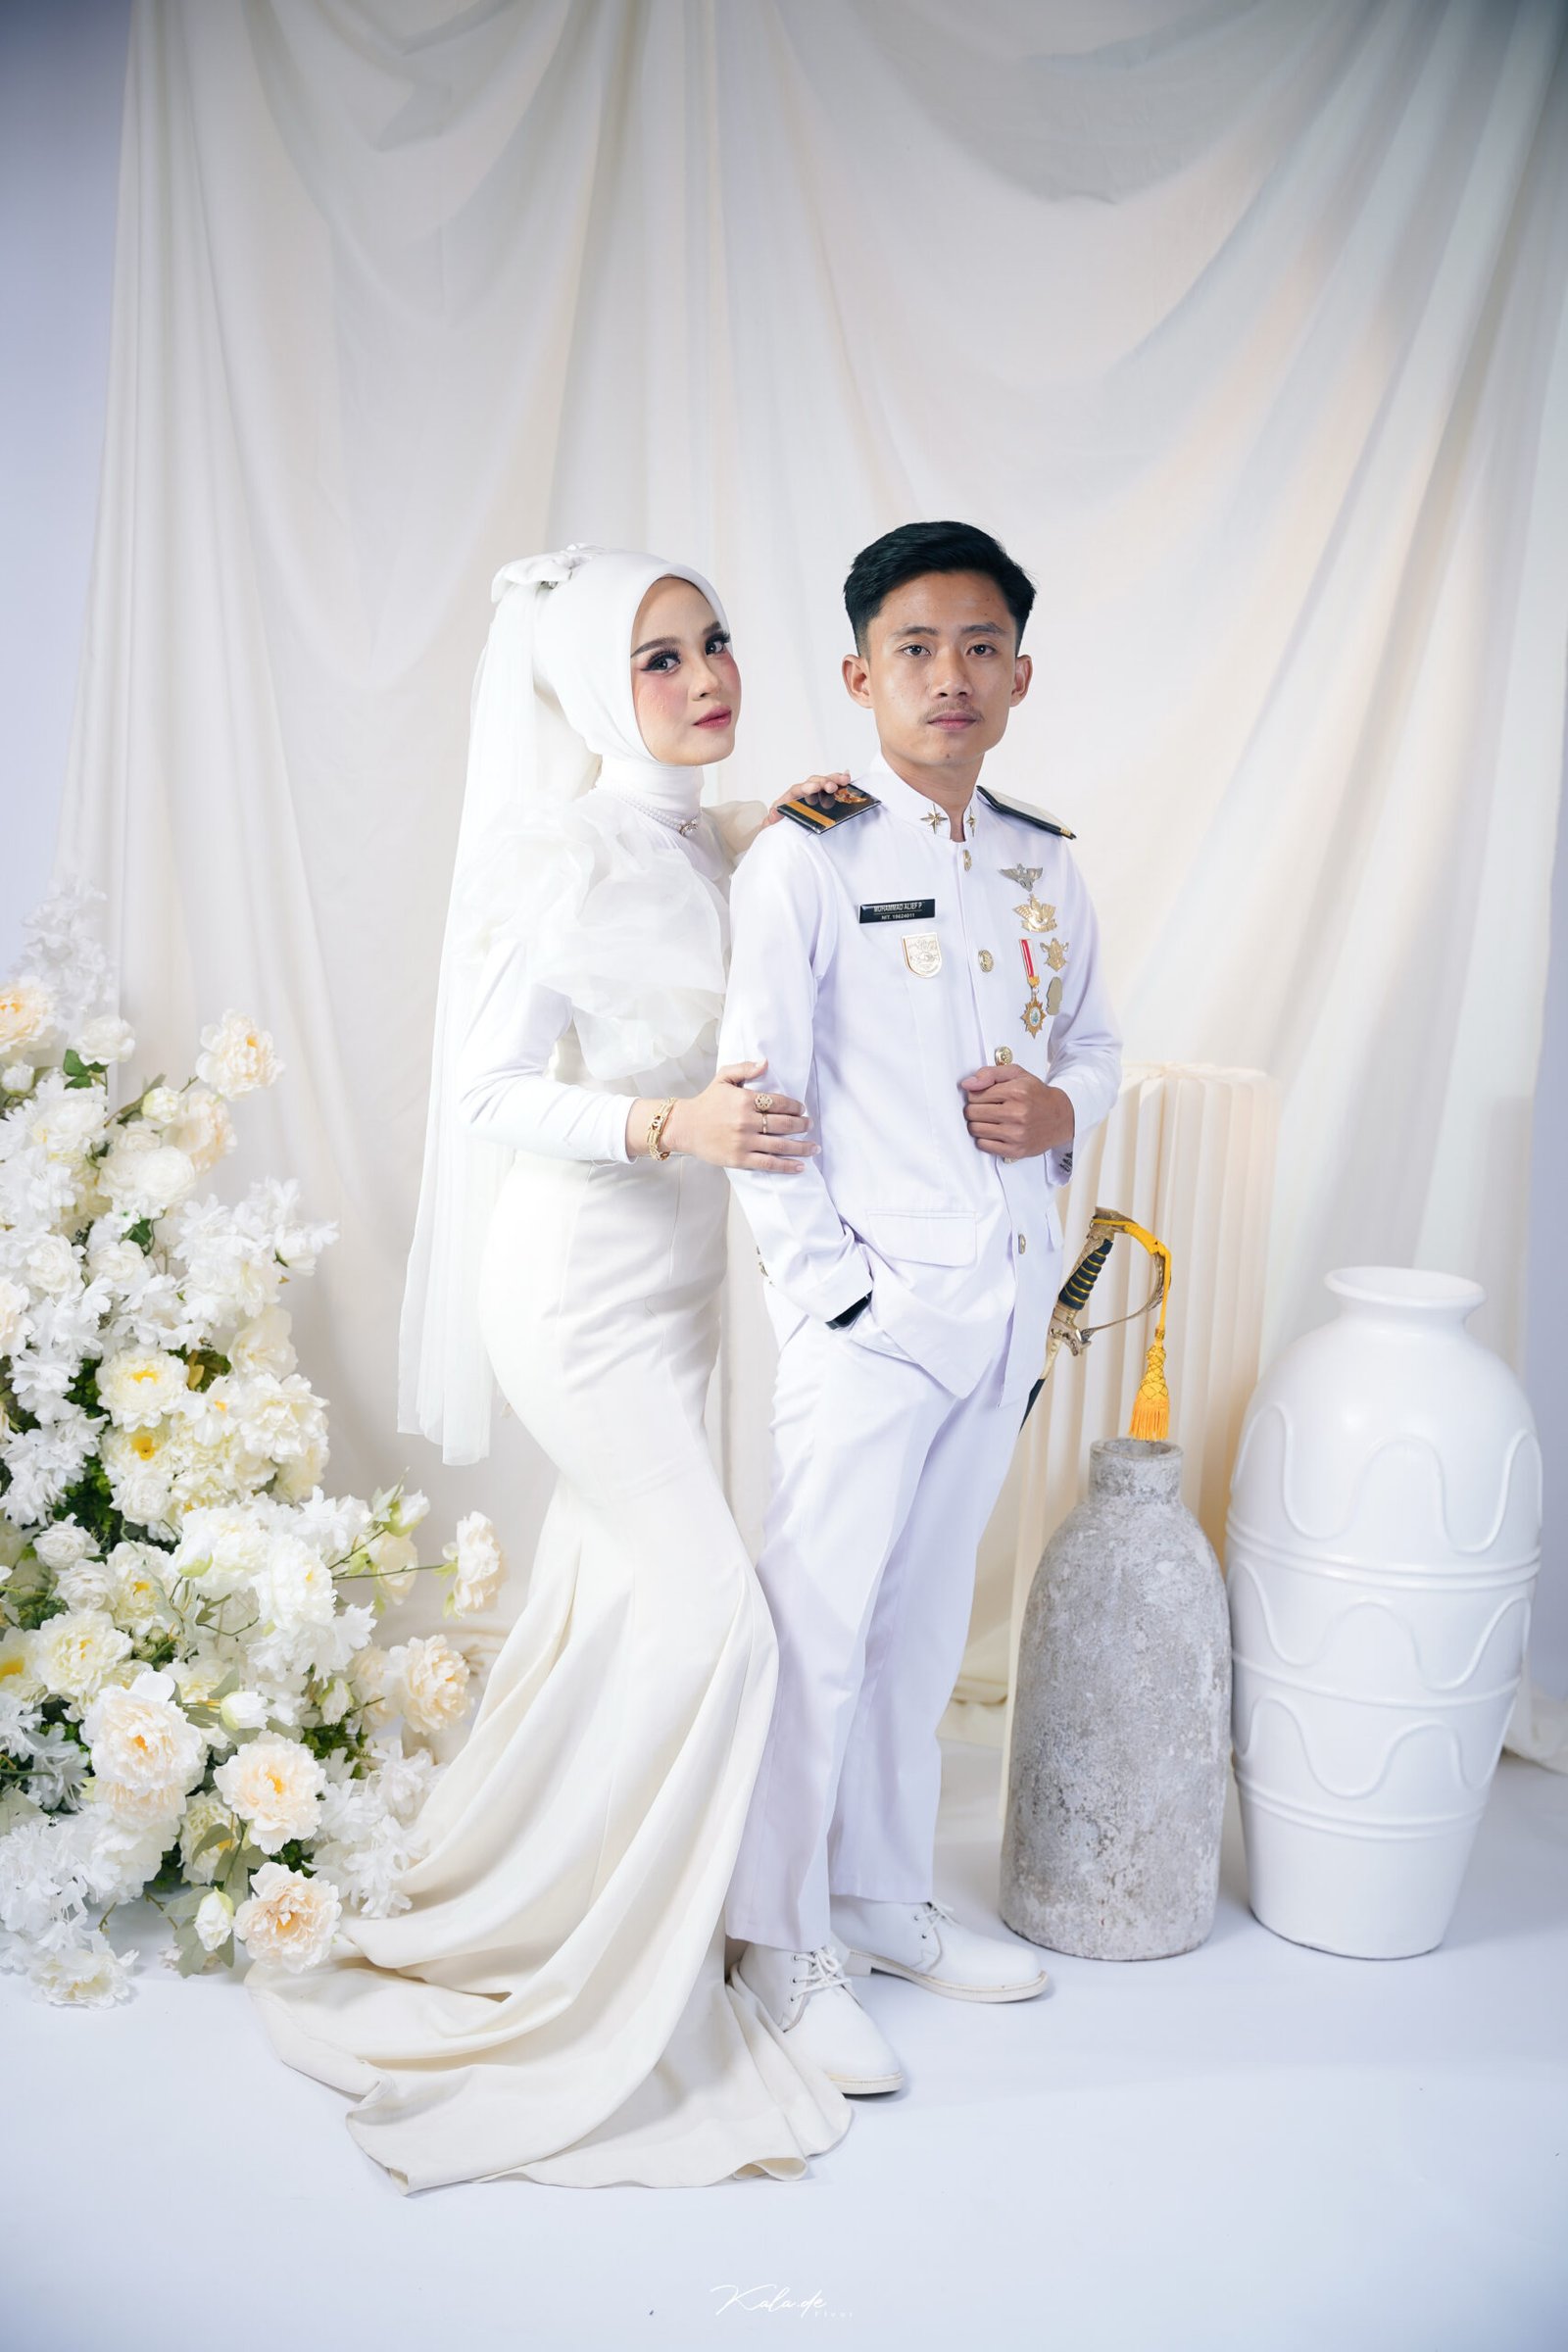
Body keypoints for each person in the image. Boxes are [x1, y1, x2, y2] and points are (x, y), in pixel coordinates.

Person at [244, 545, 856, 2189]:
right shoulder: (558, 851)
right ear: (593, 689)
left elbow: (713, 892)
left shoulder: (707, 834)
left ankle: (576, 1880)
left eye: (714, 641)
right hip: (577, 1285)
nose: (705, 676)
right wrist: (672, 1125)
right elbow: (487, 1092)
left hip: (679, 1285)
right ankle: (638, 1955)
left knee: (614, 1597)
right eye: (659, 659)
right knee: (717, 1612)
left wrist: (771, 828)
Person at [719, 520, 1123, 2094]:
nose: (949, 675)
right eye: (914, 649)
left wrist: (1062, 1112)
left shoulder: (1042, 859)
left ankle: (882, 1898)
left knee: (925, 1619)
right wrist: (833, 1302)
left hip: (1007, 1304)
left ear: (1020, 674)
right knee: (818, 1628)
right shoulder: (808, 858)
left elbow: (1097, 1045)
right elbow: (759, 1103)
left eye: (978, 647)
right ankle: (779, 1937)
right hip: (872, 1317)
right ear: (859, 676)